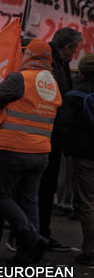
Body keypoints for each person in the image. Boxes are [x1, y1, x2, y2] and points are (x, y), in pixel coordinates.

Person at [0, 39, 62, 264]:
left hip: (14, 147)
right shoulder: (52, 82)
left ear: (29, 54)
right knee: (29, 200)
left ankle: (31, 237)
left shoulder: (20, 78)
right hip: (41, 151)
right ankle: (28, 252)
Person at [38, 27, 83, 252]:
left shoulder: (59, 64)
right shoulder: (49, 65)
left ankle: (42, 232)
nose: (74, 55)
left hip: (52, 137)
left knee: (45, 189)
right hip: (45, 136)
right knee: (41, 189)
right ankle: (36, 234)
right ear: (66, 47)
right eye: (74, 50)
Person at [54, 52, 94, 266]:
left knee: (87, 201)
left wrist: (70, 150)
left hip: (85, 156)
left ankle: (90, 250)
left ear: (81, 71)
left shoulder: (74, 95)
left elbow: (64, 127)